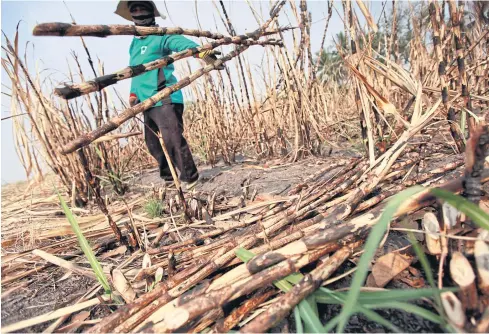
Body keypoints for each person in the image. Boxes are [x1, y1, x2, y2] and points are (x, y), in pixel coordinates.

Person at [115, 1, 222, 190]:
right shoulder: (134, 43)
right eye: (135, 10)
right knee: (153, 144)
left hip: (164, 96)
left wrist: (208, 56)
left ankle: (190, 178)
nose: (139, 13)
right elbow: (134, 71)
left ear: (151, 14)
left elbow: (185, 45)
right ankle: (169, 178)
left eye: (142, 9)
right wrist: (133, 94)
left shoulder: (161, 36)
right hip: (146, 102)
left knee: (172, 138)